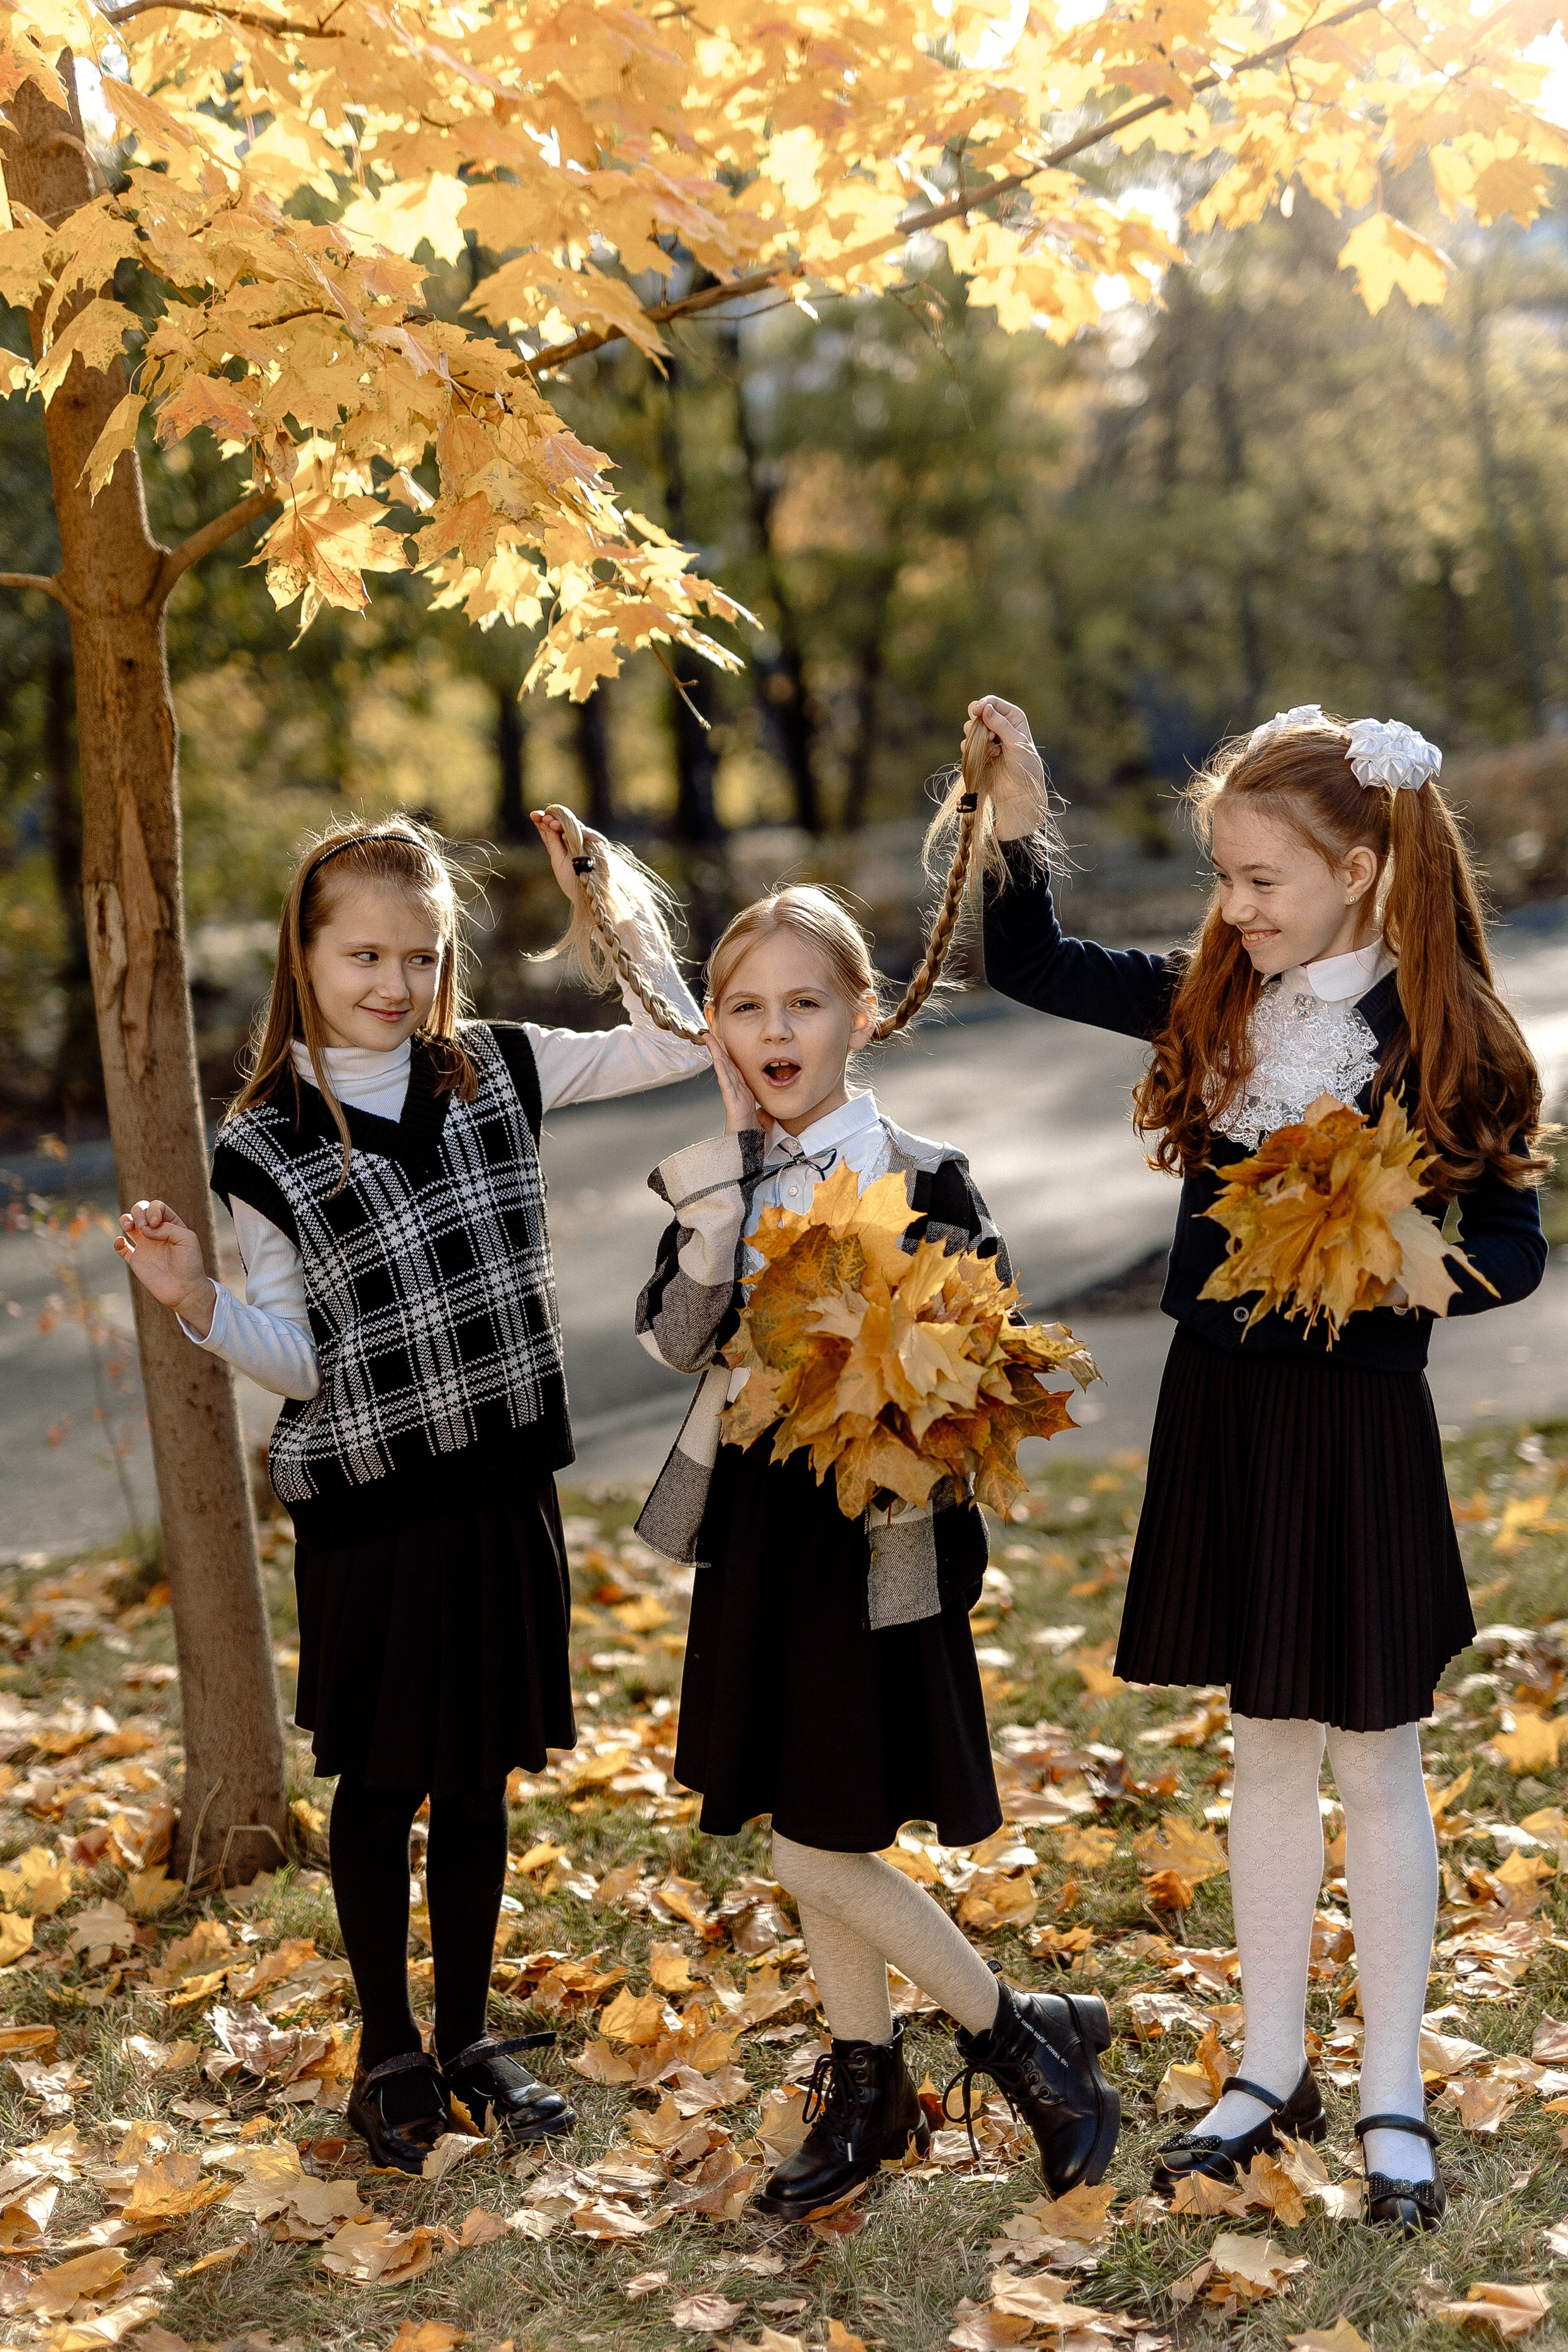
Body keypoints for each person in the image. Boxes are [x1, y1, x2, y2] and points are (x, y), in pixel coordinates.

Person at [974, 695, 1549, 2235]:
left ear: (1357, 871)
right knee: (1264, 1745)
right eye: (1221, 876)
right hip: (1224, 1412)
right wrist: (1013, 823)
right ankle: (1269, 2068)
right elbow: (1028, 966)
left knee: (1374, 1753)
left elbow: (1510, 1241)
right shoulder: (1215, 1004)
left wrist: (1404, 1266)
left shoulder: (1447, 1035)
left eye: (1256, 880)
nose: (1229, 907)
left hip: (1353, 1430)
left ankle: (1391, 2094)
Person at [115, 811, 710, 2171]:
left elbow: (682, 1043)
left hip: (500, 1485)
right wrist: (197, 1300)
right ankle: (387, 2050)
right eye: (365, 956)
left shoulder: (497, 1067)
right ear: (306, 956)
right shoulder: (262, 1143)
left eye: (422, 956)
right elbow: (299, 1356)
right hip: (374, 1513)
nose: (396, 983)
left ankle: (468, 2039)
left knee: (479, 1774)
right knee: (385, 1782)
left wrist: (608, 904)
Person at [632, 853, 1120, 2223]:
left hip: (875, 1539)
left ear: (861, 1013)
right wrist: (723, 1201)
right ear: (718, 1032)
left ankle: (1020, 2043)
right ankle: (870, 2089)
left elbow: (991, 1359)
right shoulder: (720, 1184)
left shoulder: (924, 1176)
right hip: (763, 1538)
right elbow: (675, 1339)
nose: (775, 1030)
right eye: (745, 1008)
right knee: (811, 1817)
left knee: (814, 1842)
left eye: (804, 1002)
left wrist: (901, 1355)